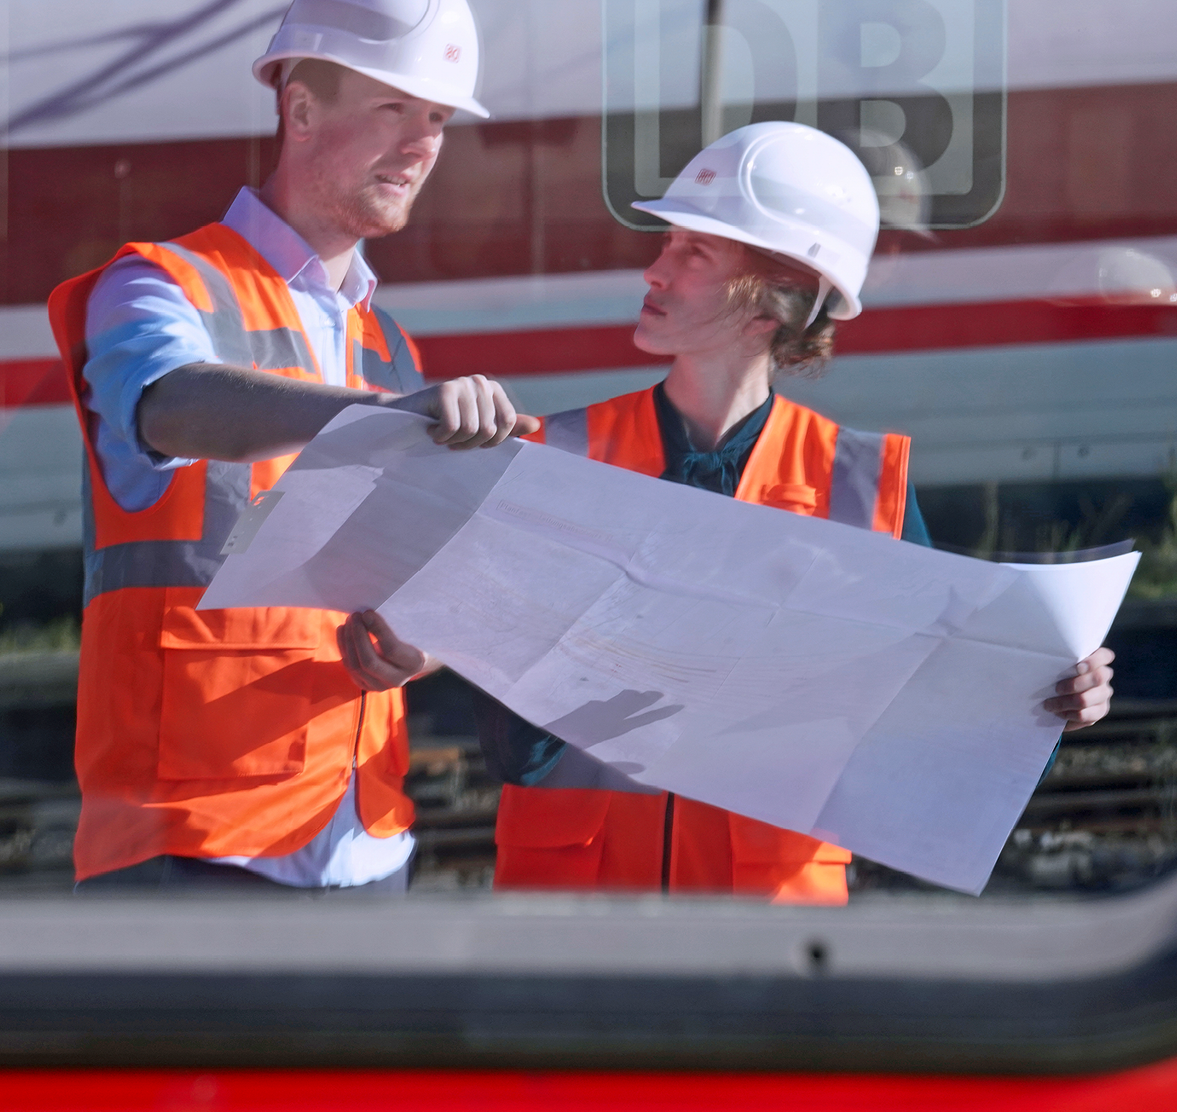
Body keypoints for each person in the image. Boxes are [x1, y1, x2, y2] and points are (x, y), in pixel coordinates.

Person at [475, 122, 1117, 905]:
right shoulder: (557, 454)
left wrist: (1048, 701)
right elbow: (507, 731)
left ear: (768, 305)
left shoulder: (859, 486)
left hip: (769, 928)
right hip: (577, 912)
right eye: (668, 242)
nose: (654, 268)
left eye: (692, 253)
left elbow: (933, 722)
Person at [48, 0, 534, 892]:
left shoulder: (386, 342)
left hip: (364, 842)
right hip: (193, 844)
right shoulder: (157, 286)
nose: (422, 143)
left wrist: (420, 645)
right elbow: (171, 403)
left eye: (436, 119)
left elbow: (403, 566)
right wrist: (380, 417)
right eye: (394, 108)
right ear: (300, 108)